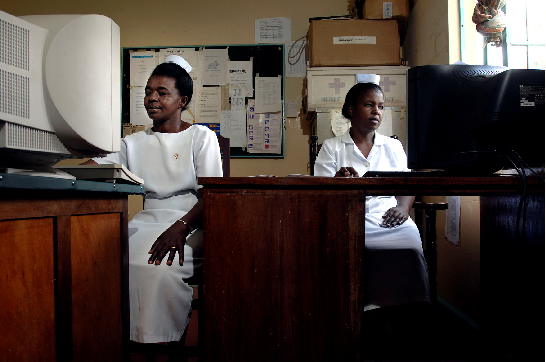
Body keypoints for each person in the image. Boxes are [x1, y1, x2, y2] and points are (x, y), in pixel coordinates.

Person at [83, 56, 222, 357]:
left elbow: (213, 195)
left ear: (182, 100)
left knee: (158, 269)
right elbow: (93, 168)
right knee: (102, 262)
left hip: (192, 221)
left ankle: (163, 343)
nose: (151, 99)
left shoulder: (201, 137)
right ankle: (123, 340)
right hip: (147, 219)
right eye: (148, 92)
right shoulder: (132, 142)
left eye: (162, 92)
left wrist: (181, 226)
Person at [314, 81, 430, 359]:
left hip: (392, 217)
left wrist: (403, 209)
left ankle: (409, 341)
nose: (376, 111)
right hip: (352, 219)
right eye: (369, 105)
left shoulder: (393, 146)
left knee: (412, 251)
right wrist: (340, 184)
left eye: (380, 106)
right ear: (351, 110)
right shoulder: (332, 147)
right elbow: (320, 192)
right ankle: (369, 332)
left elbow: (407, 186)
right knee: (360, 255)